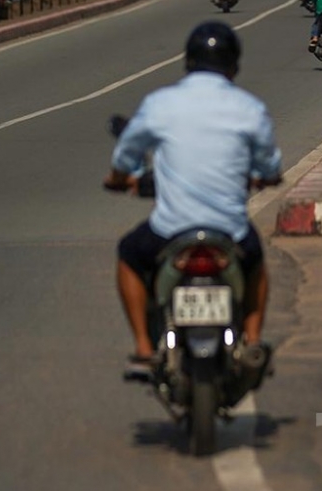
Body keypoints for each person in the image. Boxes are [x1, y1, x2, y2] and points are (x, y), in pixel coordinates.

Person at [105, 21, 281, 375]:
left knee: (128, 254)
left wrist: (119, 178)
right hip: (228, 231)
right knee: (256, 264)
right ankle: (252, 342)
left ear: (188, 62)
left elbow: (128, 151)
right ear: (234, 64)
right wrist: (267, 176)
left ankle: (143, 347)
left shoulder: (161, 103)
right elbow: (269, 162)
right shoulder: (249, 108)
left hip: (171, 229)